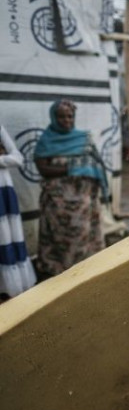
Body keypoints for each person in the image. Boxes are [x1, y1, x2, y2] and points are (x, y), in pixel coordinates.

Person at [34, 100, 107, 277]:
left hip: (84, 200)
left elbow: (97, 164)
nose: (67, 120)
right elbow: (43, 169)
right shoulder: (46, 140)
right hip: (57, 201)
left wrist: (89, 172)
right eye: (61, 116)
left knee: (84, 233)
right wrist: (73, 168)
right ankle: (62, 273)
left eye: (70, 116)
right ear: (53, 117)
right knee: (59, 236)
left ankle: (85, 272)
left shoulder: (83, 138)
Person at [0, 125, 37, 297]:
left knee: (6, 237)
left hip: (3, 192)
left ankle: (11, 288)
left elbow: (18, 159)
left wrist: (2, 159)